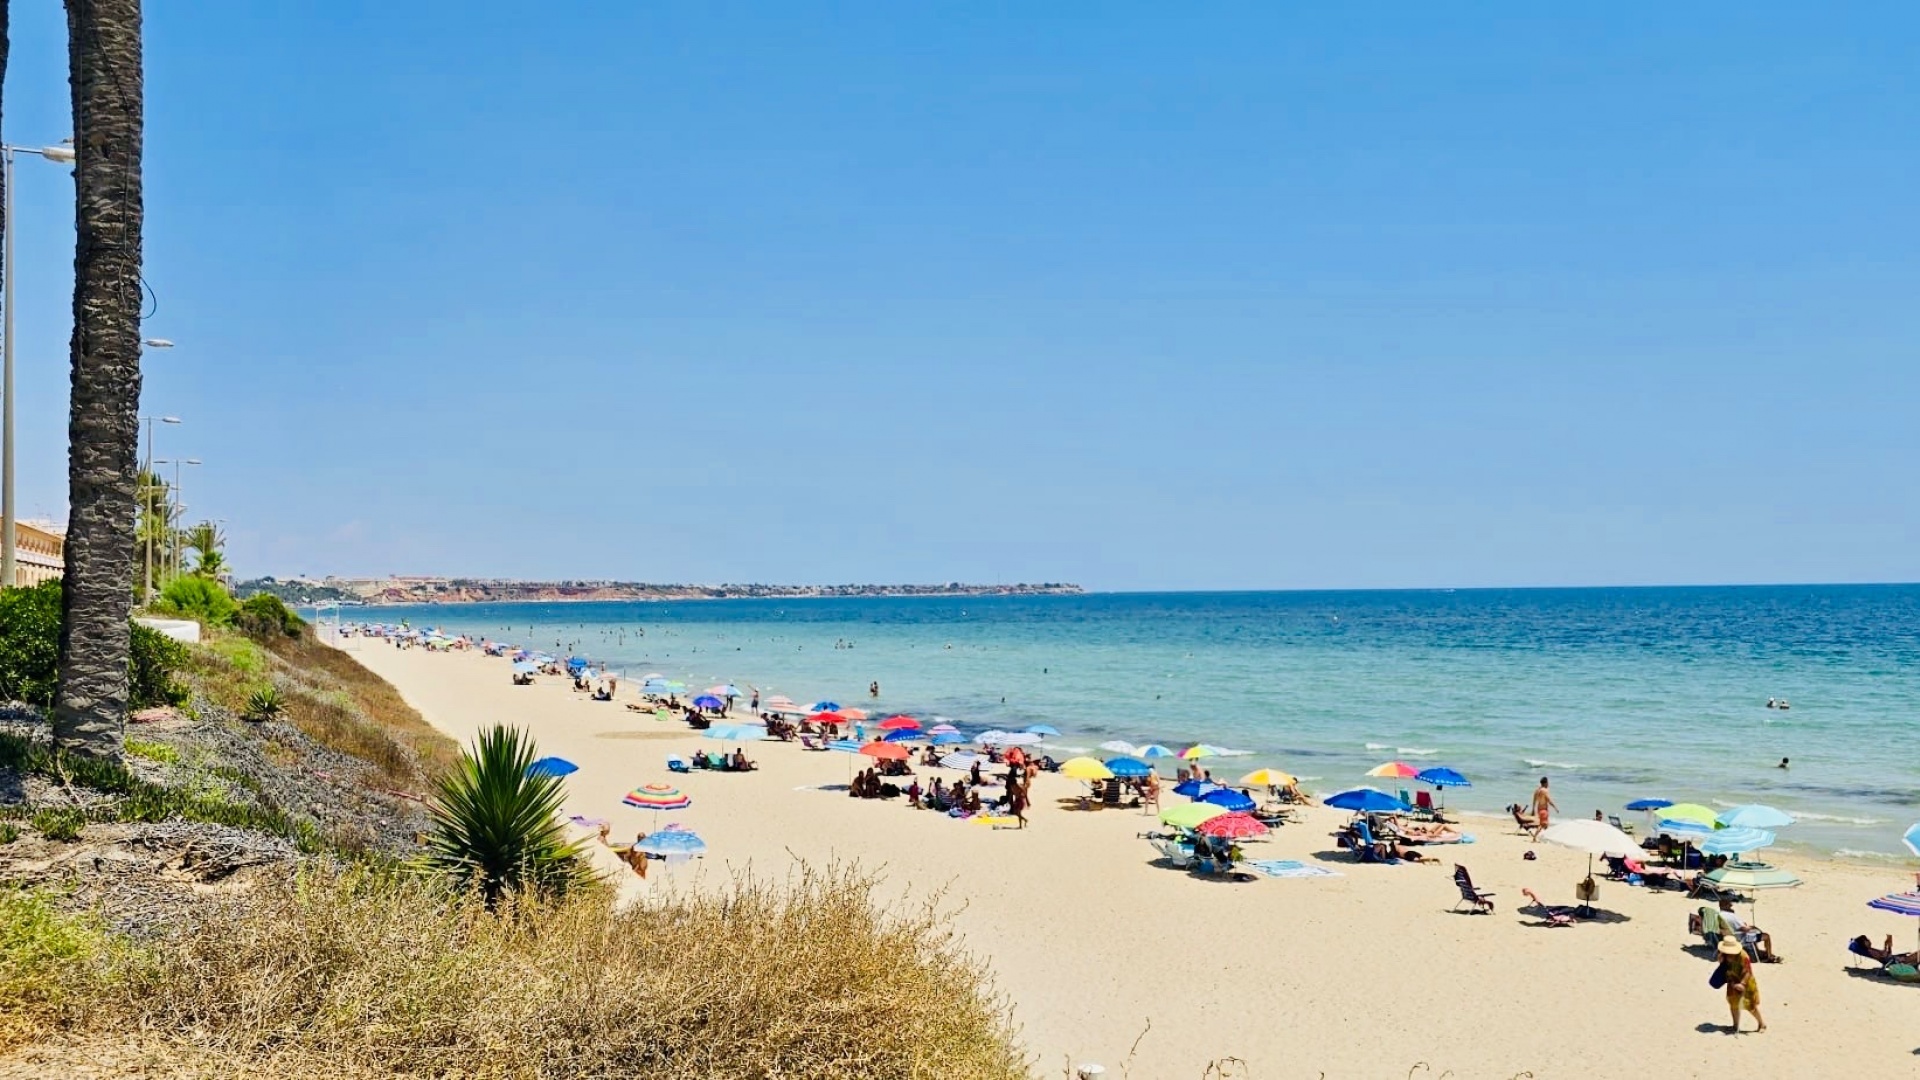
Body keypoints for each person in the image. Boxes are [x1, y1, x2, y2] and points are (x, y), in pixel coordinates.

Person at [1715, 935, 1766, 1033]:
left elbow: (1748, 972)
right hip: (1732, 981)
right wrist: (1721, 960)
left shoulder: (1743, 956)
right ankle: (1735, 1026)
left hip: (1746, 983)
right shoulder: (1723, 954)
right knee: (1733, 1004)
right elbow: (1724, 967)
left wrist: (1742, 984)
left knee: (1750, 1006)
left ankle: (1762, 1024)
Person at [1851, 935, 1920, 966]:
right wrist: (1885, 944)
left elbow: (1887, 954)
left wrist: (1888, 945)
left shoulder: (1871, 949)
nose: (1869, 941)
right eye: (1867, 940)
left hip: (1895, 959)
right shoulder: (1870, 951)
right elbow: (1883, 957)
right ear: (1864, 943)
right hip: (1897, 962)